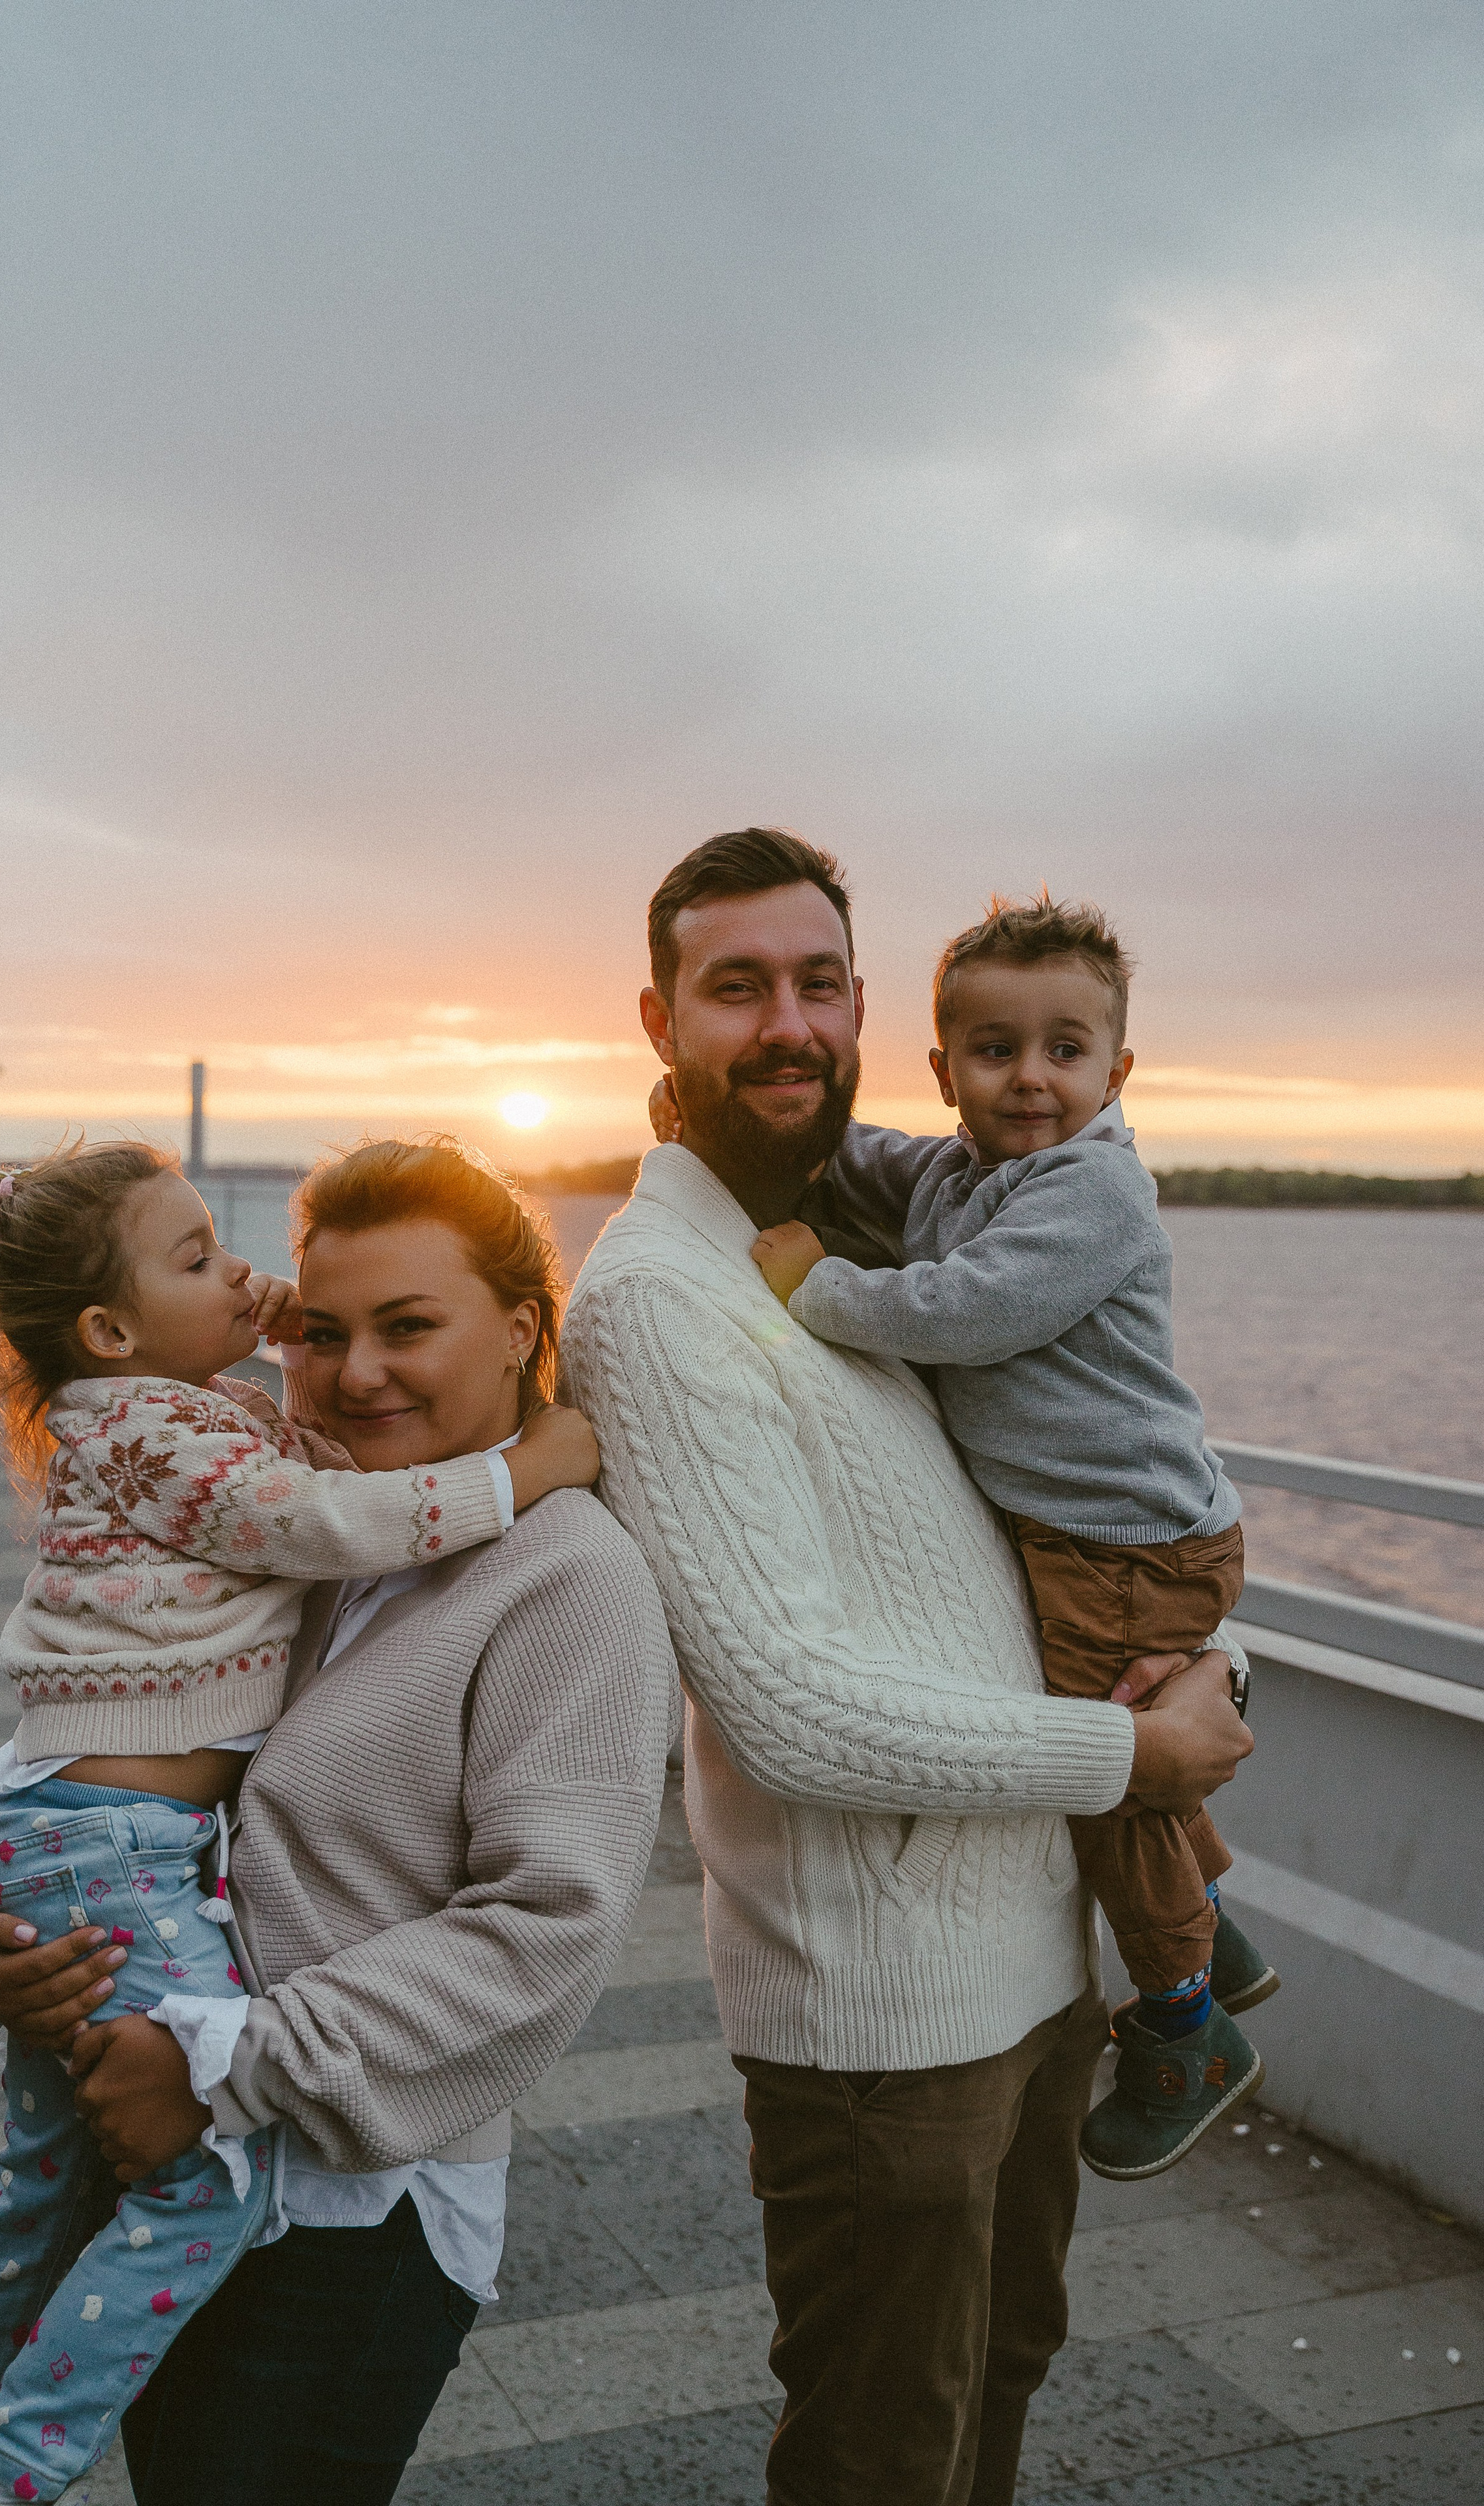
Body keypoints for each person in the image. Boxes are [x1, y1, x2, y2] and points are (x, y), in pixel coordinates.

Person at [559, 828, 1254, 2506]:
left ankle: (1191, 1956)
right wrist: (1135, 1765)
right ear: (658, 1021)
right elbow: (789, 1709)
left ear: (867, 1011)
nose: (785, 1024)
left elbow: (1047, 1527)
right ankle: (1199, 1963)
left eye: (814, 984)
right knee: (887, 2446)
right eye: (736, 988)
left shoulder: (850, 1232)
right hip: (884, 2026)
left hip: (1028, 1970)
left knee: (993, 2390)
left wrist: (1204, 1659)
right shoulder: (662, 1297)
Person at [0, 1137, 673, 2506]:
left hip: (347, 2207)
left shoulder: (567, 1577)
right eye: (322, 1333)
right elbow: (117, 1720)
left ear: (519, 1329)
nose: (356, 1371)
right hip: (158, 2159)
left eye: (408, 1327)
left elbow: (539, 1933)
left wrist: (216, 2065)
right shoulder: (294, 1506)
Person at [746, 889, 1275, 2180]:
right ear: (944, 1066)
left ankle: (1183, 2021)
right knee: (1118, 1746)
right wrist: (739, 1130)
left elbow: (964, 1312)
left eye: (1062, 1050)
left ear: (1115, 1070)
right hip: (1091, 1536)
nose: (1028, 1079)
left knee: (1111, 1772)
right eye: (993, 1051)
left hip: (1127, 1543)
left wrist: (809, 1287)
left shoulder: (1090, 1196)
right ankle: (1213, 1922)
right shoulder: (953, 1168)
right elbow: (857, 1153)